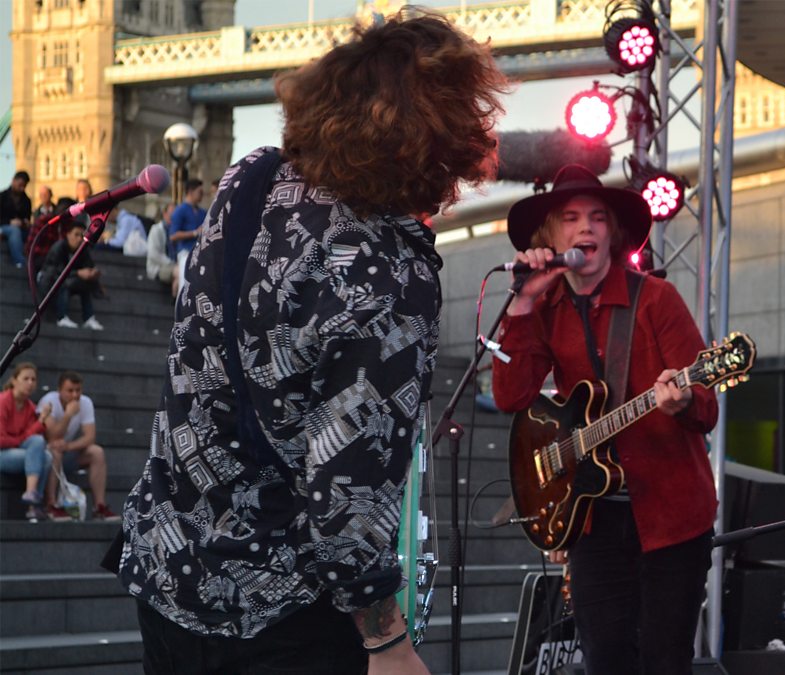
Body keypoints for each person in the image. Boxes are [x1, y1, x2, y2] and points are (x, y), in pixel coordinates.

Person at [117, 9, 506, 674]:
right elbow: (347, 495)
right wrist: (387, 642)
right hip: (283, 616)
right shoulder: (390, 272)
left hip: (168, 569)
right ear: (437, 138)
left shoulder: (251, 180)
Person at [490, 164, 719, 674]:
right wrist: (522, 303)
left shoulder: (656, 299)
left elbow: (707, 406)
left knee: (665, 661)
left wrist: (683, 402)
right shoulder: (544, 307)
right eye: (570, 219)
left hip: (671, 516)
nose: (585, 227)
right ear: (549, 238)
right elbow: (511, 396)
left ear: (613, 233)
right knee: (605, 660)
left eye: (597, 217)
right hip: (592, 517)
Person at [39, 371, 118, 521]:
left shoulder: (85, 402)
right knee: (55, 450)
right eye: (70, 391)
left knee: (96, 452)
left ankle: (99, 507)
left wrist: (68, 446)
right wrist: (68, 415)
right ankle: (51, 505)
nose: (75, 395)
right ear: (59, 390)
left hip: (67, 452)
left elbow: (90, 437)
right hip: (46, 454)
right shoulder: (48, 401)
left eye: (78, 390)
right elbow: (52, 436)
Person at [0, 362, 52, 521]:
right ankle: (33, 504)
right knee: (40, 455)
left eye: (33, 379)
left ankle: (31, 496)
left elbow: (30, 437)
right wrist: (19, 440)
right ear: (14, 380)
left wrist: (41, 420)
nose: (30, 383)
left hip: (16, 450)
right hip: (2, 453)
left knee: (46, 454)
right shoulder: (3, 401)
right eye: (26, 378)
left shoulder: (30, 407)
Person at [40, 220, 104, 330]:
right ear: (68, 234)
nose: (79, 239)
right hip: (49, 280)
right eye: (76, 234)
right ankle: (62, 317)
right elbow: (54, 271)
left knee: (84, 285)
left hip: (70, 280)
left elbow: (89, 266)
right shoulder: (58, 247)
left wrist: (93, 273)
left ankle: (89, 318)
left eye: (82, 236)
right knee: (64, 284)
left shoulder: (83, 250)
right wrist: (78, 273)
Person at [168, 179, 205, 272]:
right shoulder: (180, 210)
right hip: (185, 253)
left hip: (200, 255)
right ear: (191, 192)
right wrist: (195, 233)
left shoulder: (202, 212)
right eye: (200, 192)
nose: (202, 195)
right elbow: (173, 235)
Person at [0, 170, 33, 268]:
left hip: (21, 228)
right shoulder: (2, 197)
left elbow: (27, 218)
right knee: (14, 231)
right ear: (14, 181)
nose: (22, 188)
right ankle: (20, 261)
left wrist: (24, 222)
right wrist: (10, 222)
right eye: (20, 185)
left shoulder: (26, 200)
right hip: (4, 227)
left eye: (24, 186)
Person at [145, 202, 177, 295]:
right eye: (171, 214)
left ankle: (175, 300)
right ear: (164, 214)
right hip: (159, 268)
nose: (174, 217)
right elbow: (153, 254)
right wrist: (171, 263)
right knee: (180, 272)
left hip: (175, 266)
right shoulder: (156, 229)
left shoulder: (177, 231)